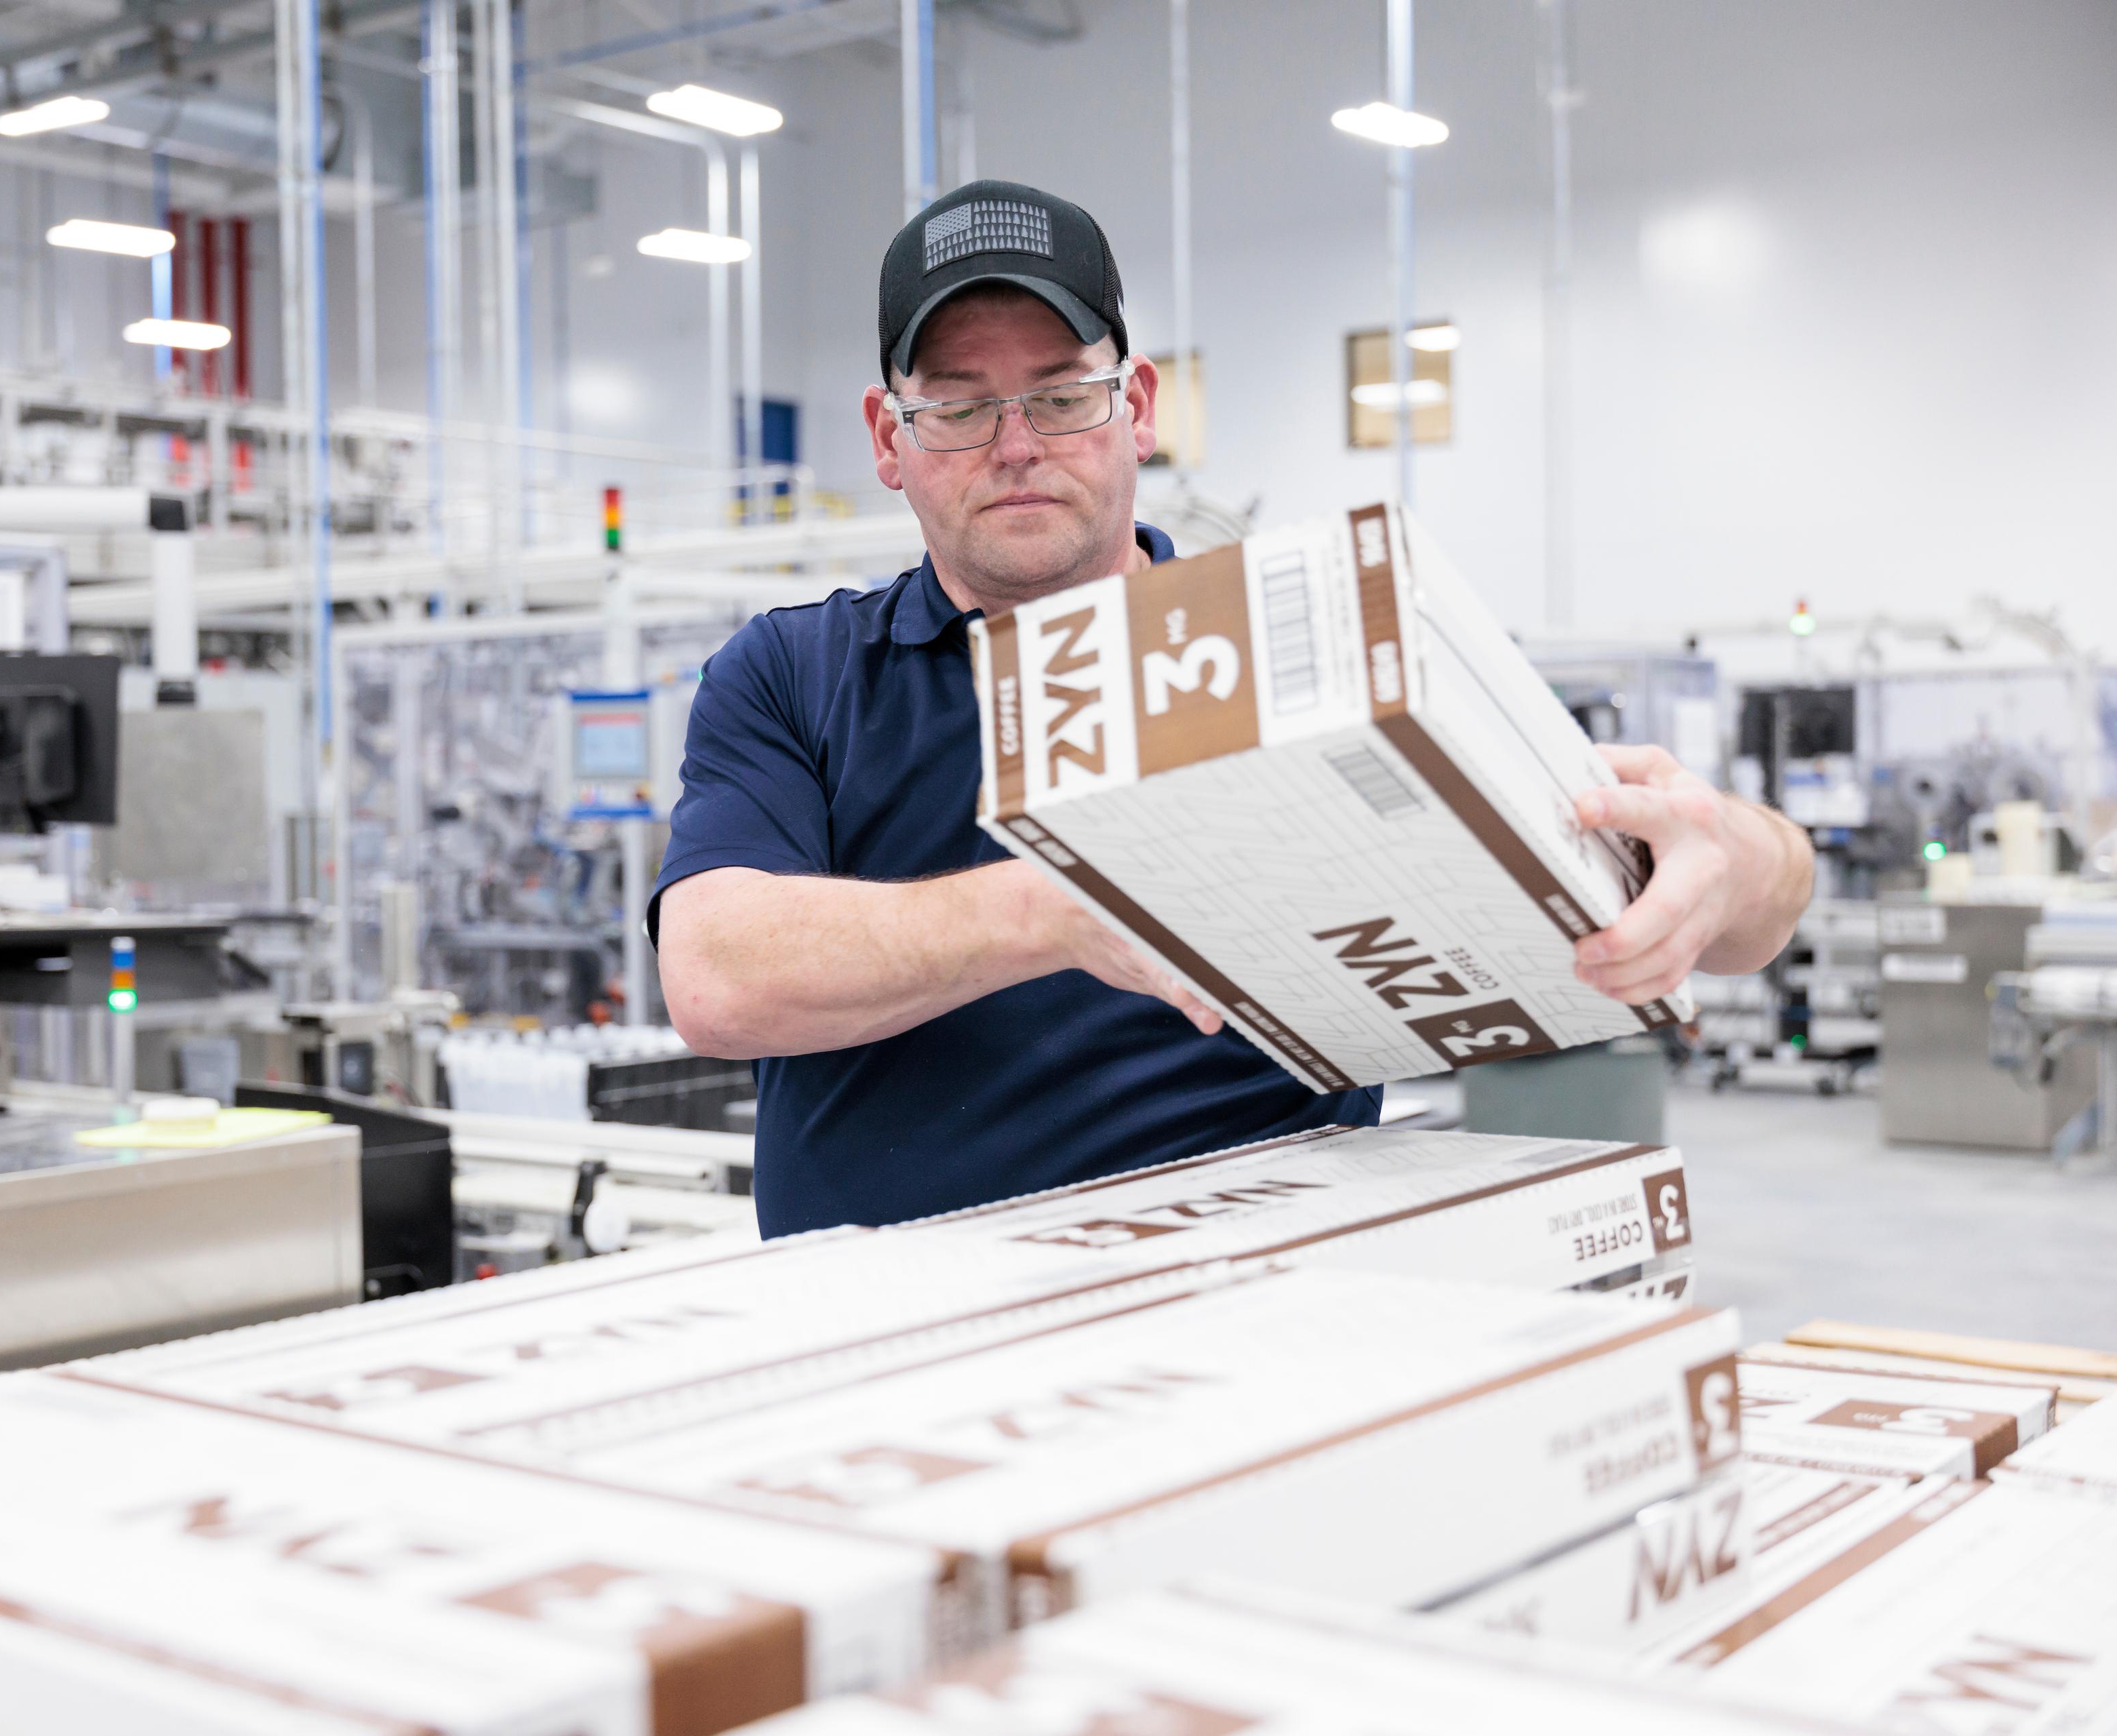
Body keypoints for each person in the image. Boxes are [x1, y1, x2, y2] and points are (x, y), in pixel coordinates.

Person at [650, 179, 1814, 1237]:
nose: (1014, 447)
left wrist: (1733, 860)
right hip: (888, 1343)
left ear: (1138, 406)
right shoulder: (792, 675)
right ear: (886, 440)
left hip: (1251, 1326)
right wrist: (1064, 898)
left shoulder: (1290, 652)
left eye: (1061, 395)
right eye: (958, 410)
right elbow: (716, 977)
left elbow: (1748, 898)